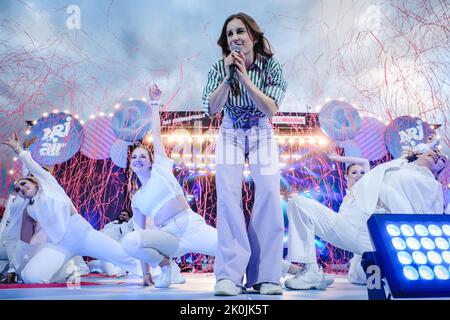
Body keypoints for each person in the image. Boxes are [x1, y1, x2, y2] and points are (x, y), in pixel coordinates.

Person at [202, 12, 288, 295]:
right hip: (231, 131)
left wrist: (245, 78)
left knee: (269, 196)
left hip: (261, 130)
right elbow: (212, 109)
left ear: (252, 36)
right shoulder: (219, 67)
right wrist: (229, 78)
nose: (235, 37)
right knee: (228, 197)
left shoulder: (270, 67)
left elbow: (271, 109)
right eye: (230, 34)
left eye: (240, 31)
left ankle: (266, 277)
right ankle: (228, 276)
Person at [285, 148, 446, 290]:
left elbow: (429, 221)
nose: (438, 155)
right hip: (347, 223)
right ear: (419, 153)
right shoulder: (396, 165)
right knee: (298, 203)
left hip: (378, 236)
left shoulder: (431, 184)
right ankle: (311, 271)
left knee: (364, 275)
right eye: (434, 152)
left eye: (443, 160)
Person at [1, 134, 142, 283]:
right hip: (59, 244)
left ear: (35, 181)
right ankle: (68, 272)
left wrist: (19, 150)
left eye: (23, 183)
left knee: (124, 257)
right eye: (17, 188)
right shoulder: (28, 211)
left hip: (83, 235)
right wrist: (13, 269)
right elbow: (24, 242)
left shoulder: (50, 185)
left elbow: (34, 168)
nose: (21, 188)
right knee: (31, 277)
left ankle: (159, 269)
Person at [121, 84, 217, 288]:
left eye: (142, 156)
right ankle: (166, 266)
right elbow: (140, 235)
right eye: (134, 157)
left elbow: (156, 134)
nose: (138, 159)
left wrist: (154, 103)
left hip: (191, 227)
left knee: (235, 249)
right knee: (129, 241)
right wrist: (145, 274)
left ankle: (290, 269)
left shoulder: (160, 170)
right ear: (131, 164)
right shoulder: (137, 199)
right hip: (168, 237)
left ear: (150, 161)